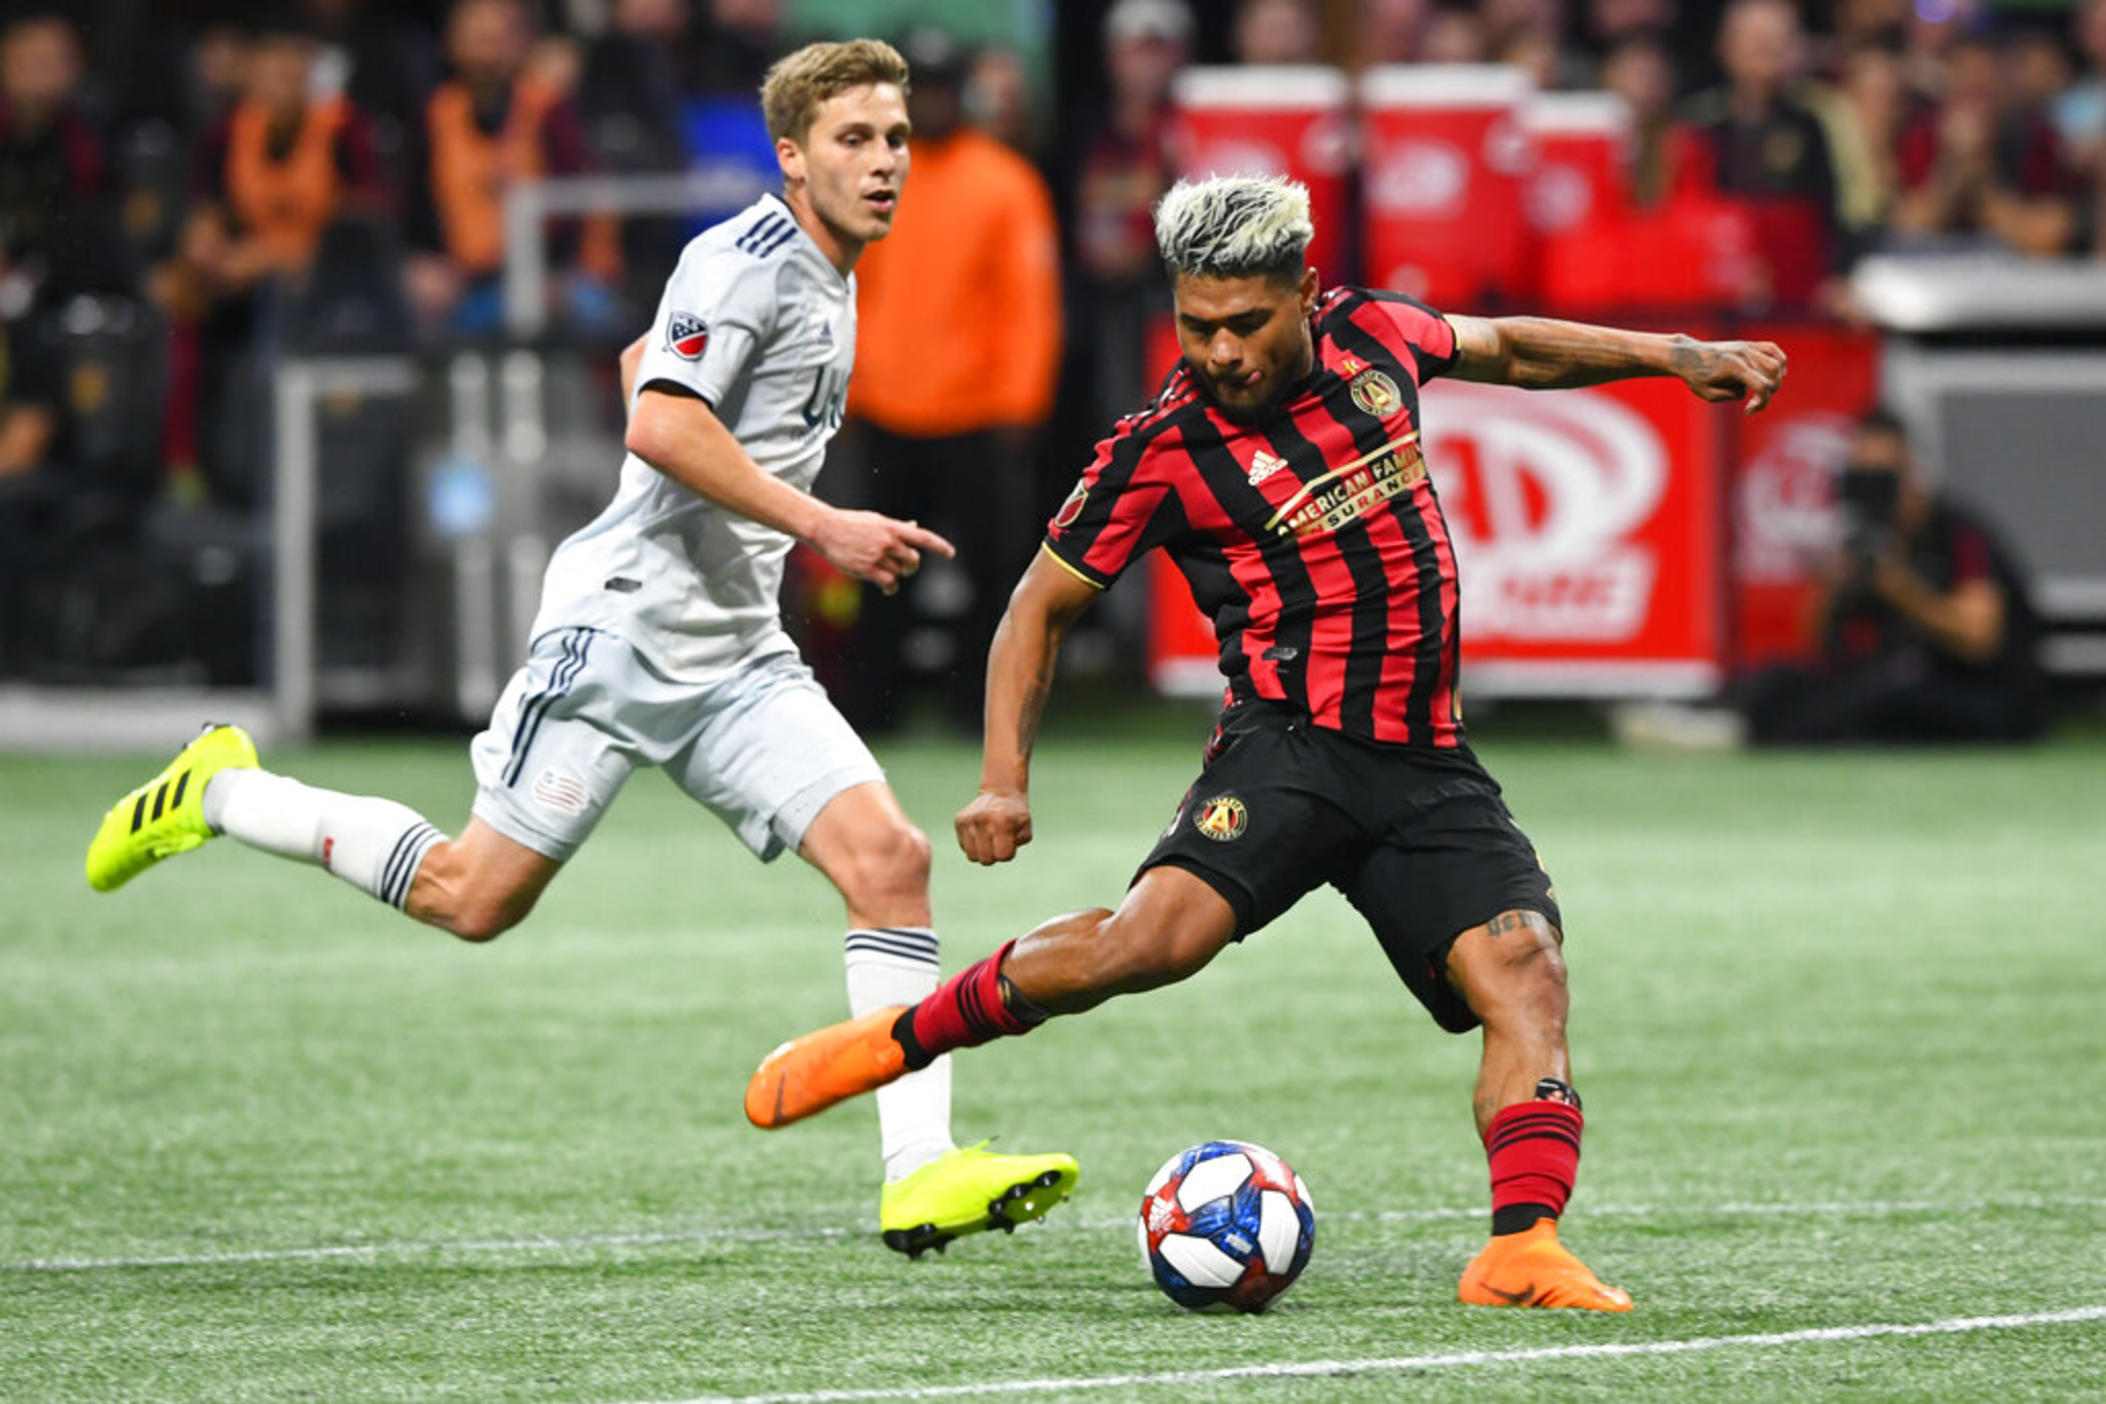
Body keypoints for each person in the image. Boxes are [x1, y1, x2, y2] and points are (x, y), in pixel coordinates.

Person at [85, 38, 1077, 1259]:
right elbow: (661, 419)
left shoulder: (830, 270)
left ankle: (919, 1173)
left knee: (889, 859)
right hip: (619, 630)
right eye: (854, 142)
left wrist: (690, 412)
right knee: (473, 898)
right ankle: (225, 787)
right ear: (791, 156)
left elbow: (645, 374)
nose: (883, 165)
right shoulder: (747, 258)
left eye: (896, 140)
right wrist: (821, 520)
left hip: (732, 648)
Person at [744, 174, 1790, 1312]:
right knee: (1146, 948)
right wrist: (1003, 780)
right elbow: (1033, 610)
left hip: (1427, 760)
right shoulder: (1161, 449)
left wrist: (1675, 353)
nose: (1223, 351)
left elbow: (1516, 352)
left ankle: (1519, 1248)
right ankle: (896, 1039)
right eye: (1199, 327)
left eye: (1247, 323)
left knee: (1527, 976)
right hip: (1286, 749)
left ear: (1305, 291)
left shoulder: (1377, 335)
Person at [839, 27, 1062, 733]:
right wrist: (841, 389)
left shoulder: (1004, 181)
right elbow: (845, 290)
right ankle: (874, 706)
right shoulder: (873, 177)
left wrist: (1021, 401)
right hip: (884, 403)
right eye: (919, 89)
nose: (930, 102)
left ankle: (979, 708)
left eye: (939, 88)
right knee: (877, 569)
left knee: (990, 573)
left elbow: (1030, 302)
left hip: (975, 409)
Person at [1740, 409, 2044, 745]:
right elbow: (1817, 645)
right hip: (1904, 677)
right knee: (1774, 683)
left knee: (1883, 692)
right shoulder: (1864, 541)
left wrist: (1899, 588)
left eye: (1883, 478)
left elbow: (1980, 638)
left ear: (1911, 474)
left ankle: (1781, 739)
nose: (1874, 490)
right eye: (1861, 477)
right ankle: (1747, 727)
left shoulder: (1957, 532)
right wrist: (1835, 584)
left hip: (1983, 692)